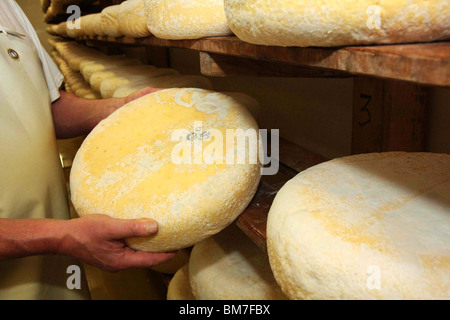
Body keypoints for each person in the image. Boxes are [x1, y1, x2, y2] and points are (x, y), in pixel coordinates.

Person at [0, 0, 175, 299]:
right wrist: (64, 237)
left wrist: (120, 107)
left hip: (54, 260)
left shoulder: (7, 5)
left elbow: (48, 107)